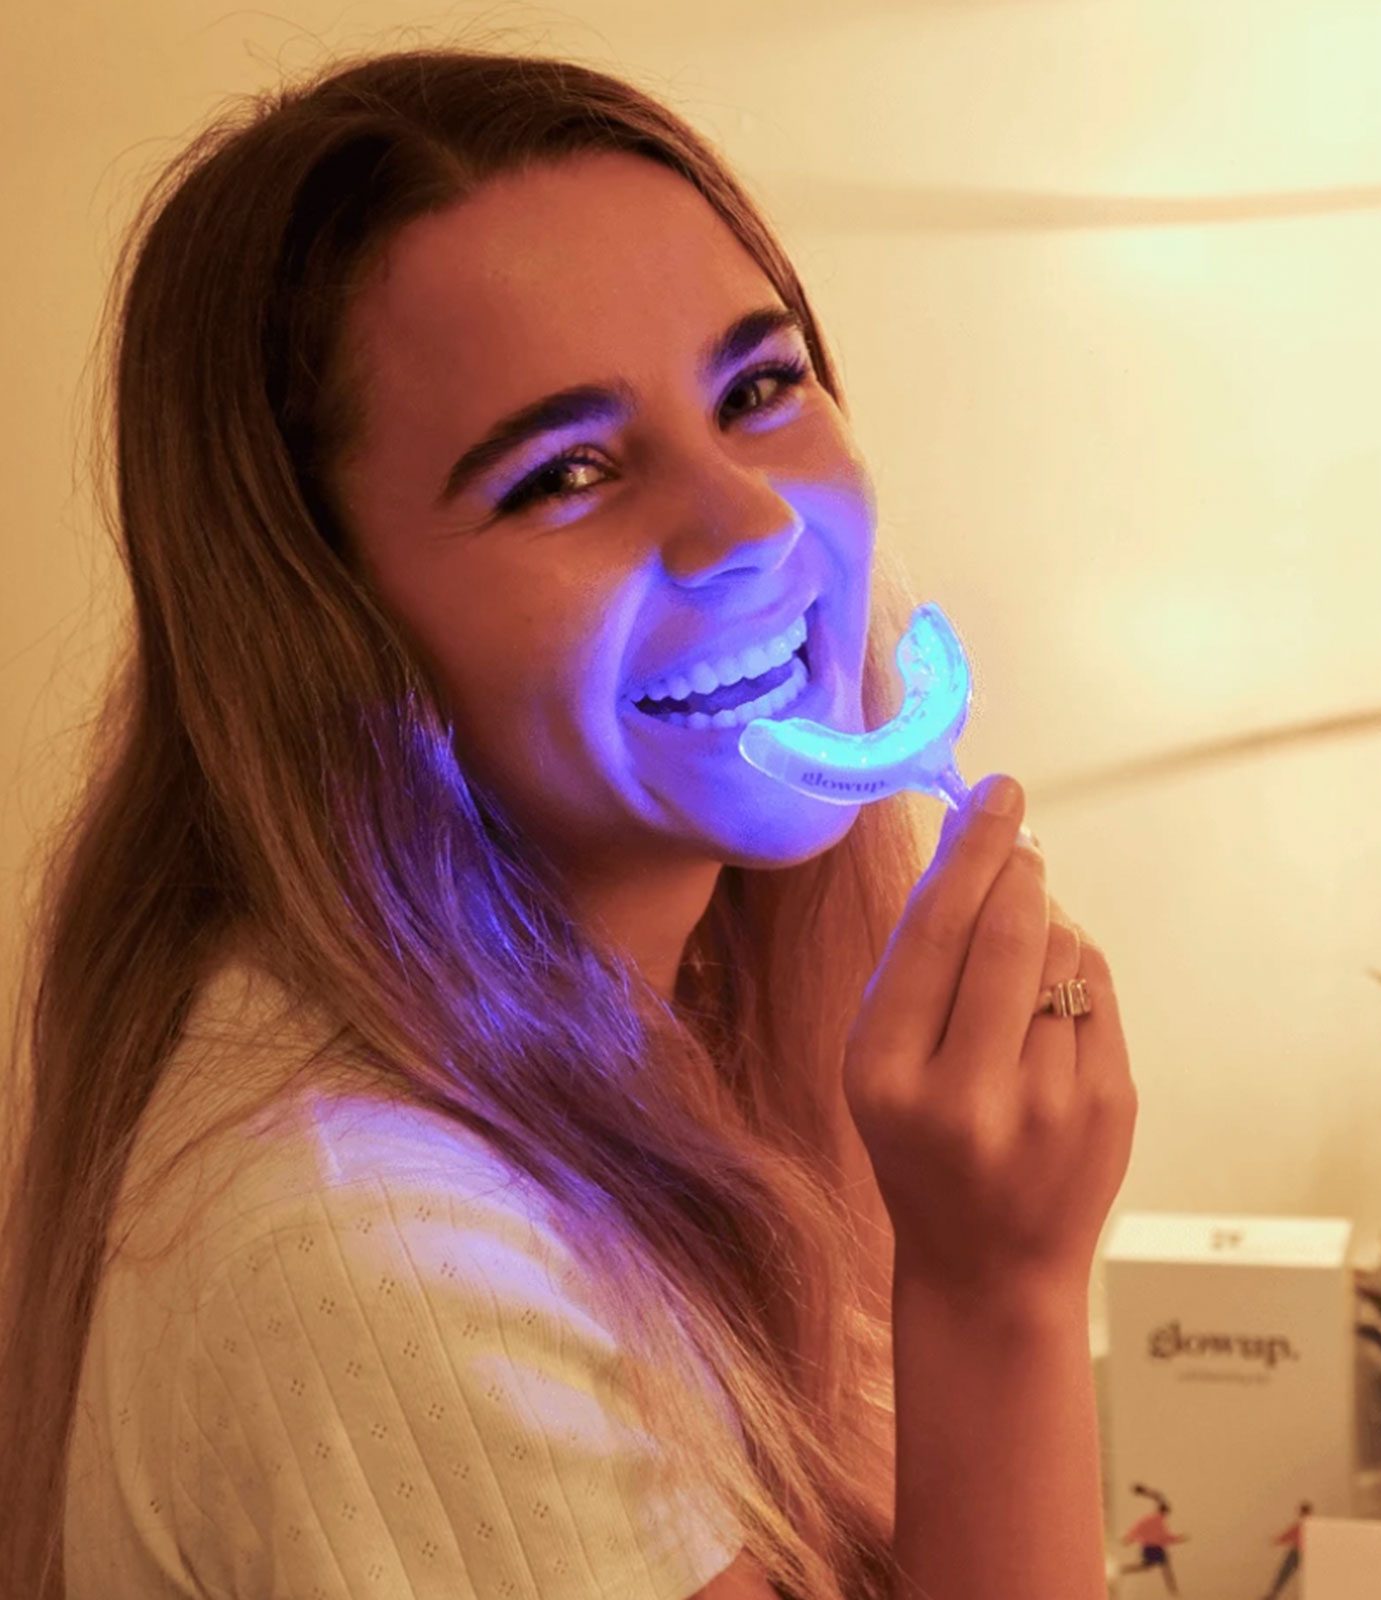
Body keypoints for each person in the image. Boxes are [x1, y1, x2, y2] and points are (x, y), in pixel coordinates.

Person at [0, 46, 1137, 1600]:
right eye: (568, 472)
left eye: (759, 386)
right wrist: (997, 1291)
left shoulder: (684, 1025)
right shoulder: (385, 1255)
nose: (749, 523)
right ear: (324, 621)